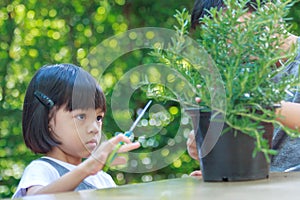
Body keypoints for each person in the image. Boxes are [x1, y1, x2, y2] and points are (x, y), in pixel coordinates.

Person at [187, 0, 300, 174]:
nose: (230, 46)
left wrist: (262, 107)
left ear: (270, 11)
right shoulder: (238, 73)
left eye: (234, 29)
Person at [12, 63, 141, 198]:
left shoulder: (103, 179)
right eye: (81, 116)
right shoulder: (42, 170)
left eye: (98, 118)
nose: (95, 128)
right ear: (48, 119)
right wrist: (87, 169)